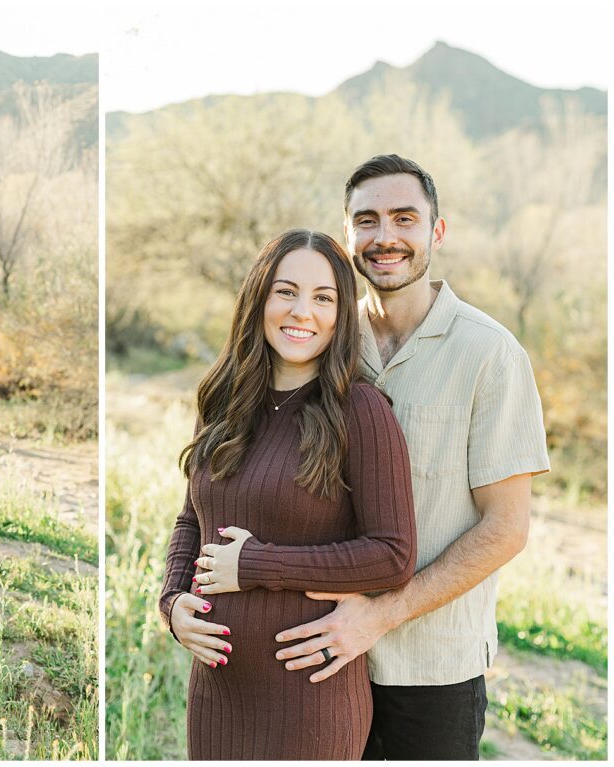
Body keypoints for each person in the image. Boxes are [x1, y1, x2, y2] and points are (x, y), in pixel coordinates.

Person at [269, 155, 550, 760]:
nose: (385, 236)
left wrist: (380, 617)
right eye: (366, 220)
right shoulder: (323, 342)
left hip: (431, 669)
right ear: (347, 235)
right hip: (314, 656)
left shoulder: (490, 355)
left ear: (436, 233)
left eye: (405, 218)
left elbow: (506, 528)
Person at [159, 228, 417, 759]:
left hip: (308, 703)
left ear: (342, 313)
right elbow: (194, 517)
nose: (303, 312)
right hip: (217, 695)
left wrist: (257, 565)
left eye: (323, 298)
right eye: (286, 291)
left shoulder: (360, 411)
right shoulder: (225, 400)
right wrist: (171, 603)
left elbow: (393, 556)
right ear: (259, 297)